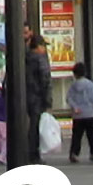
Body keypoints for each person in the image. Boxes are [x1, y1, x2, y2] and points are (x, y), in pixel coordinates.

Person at [66, 61, 93, 162]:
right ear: (85, 72)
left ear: (74, 74)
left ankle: (74, 153)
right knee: (92, 135)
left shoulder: (73, 86)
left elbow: (69, 98)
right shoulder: (90, 85)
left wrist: (75, 107)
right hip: (89, 114)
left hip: (77, 115)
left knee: (76, 136)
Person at [25, 33, 53, 162]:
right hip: (37, 97)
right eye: (43, 46)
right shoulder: (40, 59)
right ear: (38, 46)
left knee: (30, 126)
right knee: (35, 126)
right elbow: (45, 80)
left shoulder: (25, 58)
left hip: (26, 96)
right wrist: (48, 100)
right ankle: (34, 154)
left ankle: (29, 152)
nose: (44, 49)